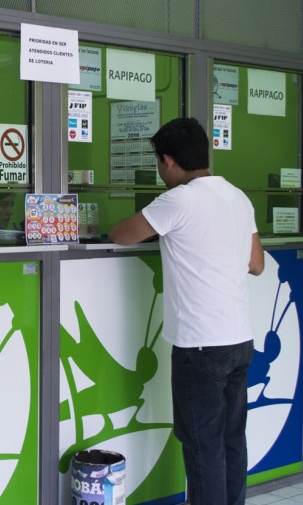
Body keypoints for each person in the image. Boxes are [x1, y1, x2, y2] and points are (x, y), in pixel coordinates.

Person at [108, 117, 265, 505]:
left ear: (168, 160)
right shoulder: (237, 197)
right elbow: (256, 264)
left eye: (159, 164)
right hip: (239, 339)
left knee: (202, 444)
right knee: (231, 438)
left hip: (201, 344)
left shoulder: (179, 199)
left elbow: (120, 235)